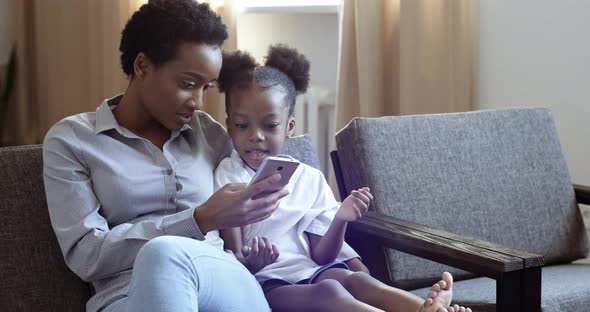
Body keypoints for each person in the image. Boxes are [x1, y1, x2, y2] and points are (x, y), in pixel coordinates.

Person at [43, 1, 289, 311]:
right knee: (161, 253)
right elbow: (86, 255)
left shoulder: (208, 133)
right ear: (142, 66)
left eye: (206, 87)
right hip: (124, 299)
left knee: (164, 253)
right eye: (188, 84)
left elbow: (260, 178)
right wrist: (199, 219)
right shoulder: (72, 140)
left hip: (219, 282)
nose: (198, 103)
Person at [214, 44, 473, 312]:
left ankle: (421, 308)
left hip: (314, 270)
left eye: (270, 126)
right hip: (269, 283)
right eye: (243, 125)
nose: (256, 136)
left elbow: (321, 255)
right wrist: (251, 262)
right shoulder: (228, 175)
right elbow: (232, 256)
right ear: (229, 126)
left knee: (354, 280)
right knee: (329, 291)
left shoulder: (309, 178)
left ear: (289, 127)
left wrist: (340, 219)